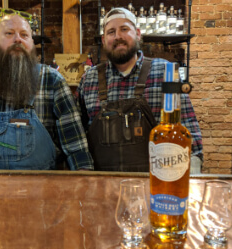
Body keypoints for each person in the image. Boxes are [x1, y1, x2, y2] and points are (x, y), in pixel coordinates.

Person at [0, 9, 93, 171]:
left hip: (40, 190)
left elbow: (76, 146)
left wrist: (85, 185)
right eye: (9, 33)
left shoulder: (52, 80)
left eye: (24, 35)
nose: (18, 39)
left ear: (31, 43)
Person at [75, 7, 203, 173]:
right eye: (111, 32)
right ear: (103, 39)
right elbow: (77, 137)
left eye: (124, 29)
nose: (118, 36)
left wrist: (190, 179)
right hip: (102, 186)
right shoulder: (89, 80)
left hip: (155, 185)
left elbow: (189, 133)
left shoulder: (166, 73)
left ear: (138, 33)